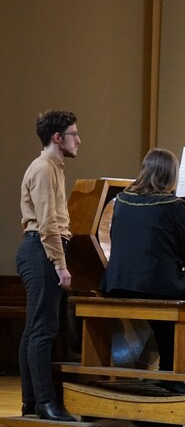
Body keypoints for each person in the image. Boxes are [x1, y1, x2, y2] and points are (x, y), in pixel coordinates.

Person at [100, 148, 185, 391]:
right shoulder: (172, 204)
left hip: (119, 284)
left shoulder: (123, 201)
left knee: (162, 315)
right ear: (170, 175)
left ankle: (169, 373)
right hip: (156, 284)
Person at [16, 110, 81, 422]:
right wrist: (60, 263)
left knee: (34, 331)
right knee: (43, 331)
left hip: (38, 249)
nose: (78, 140)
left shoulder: (53, 167)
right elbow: (47, 223)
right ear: (58, 138)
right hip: (40, 250)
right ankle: (45, 403)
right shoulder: (44, 168)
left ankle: (32, 403)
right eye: (73, 134)